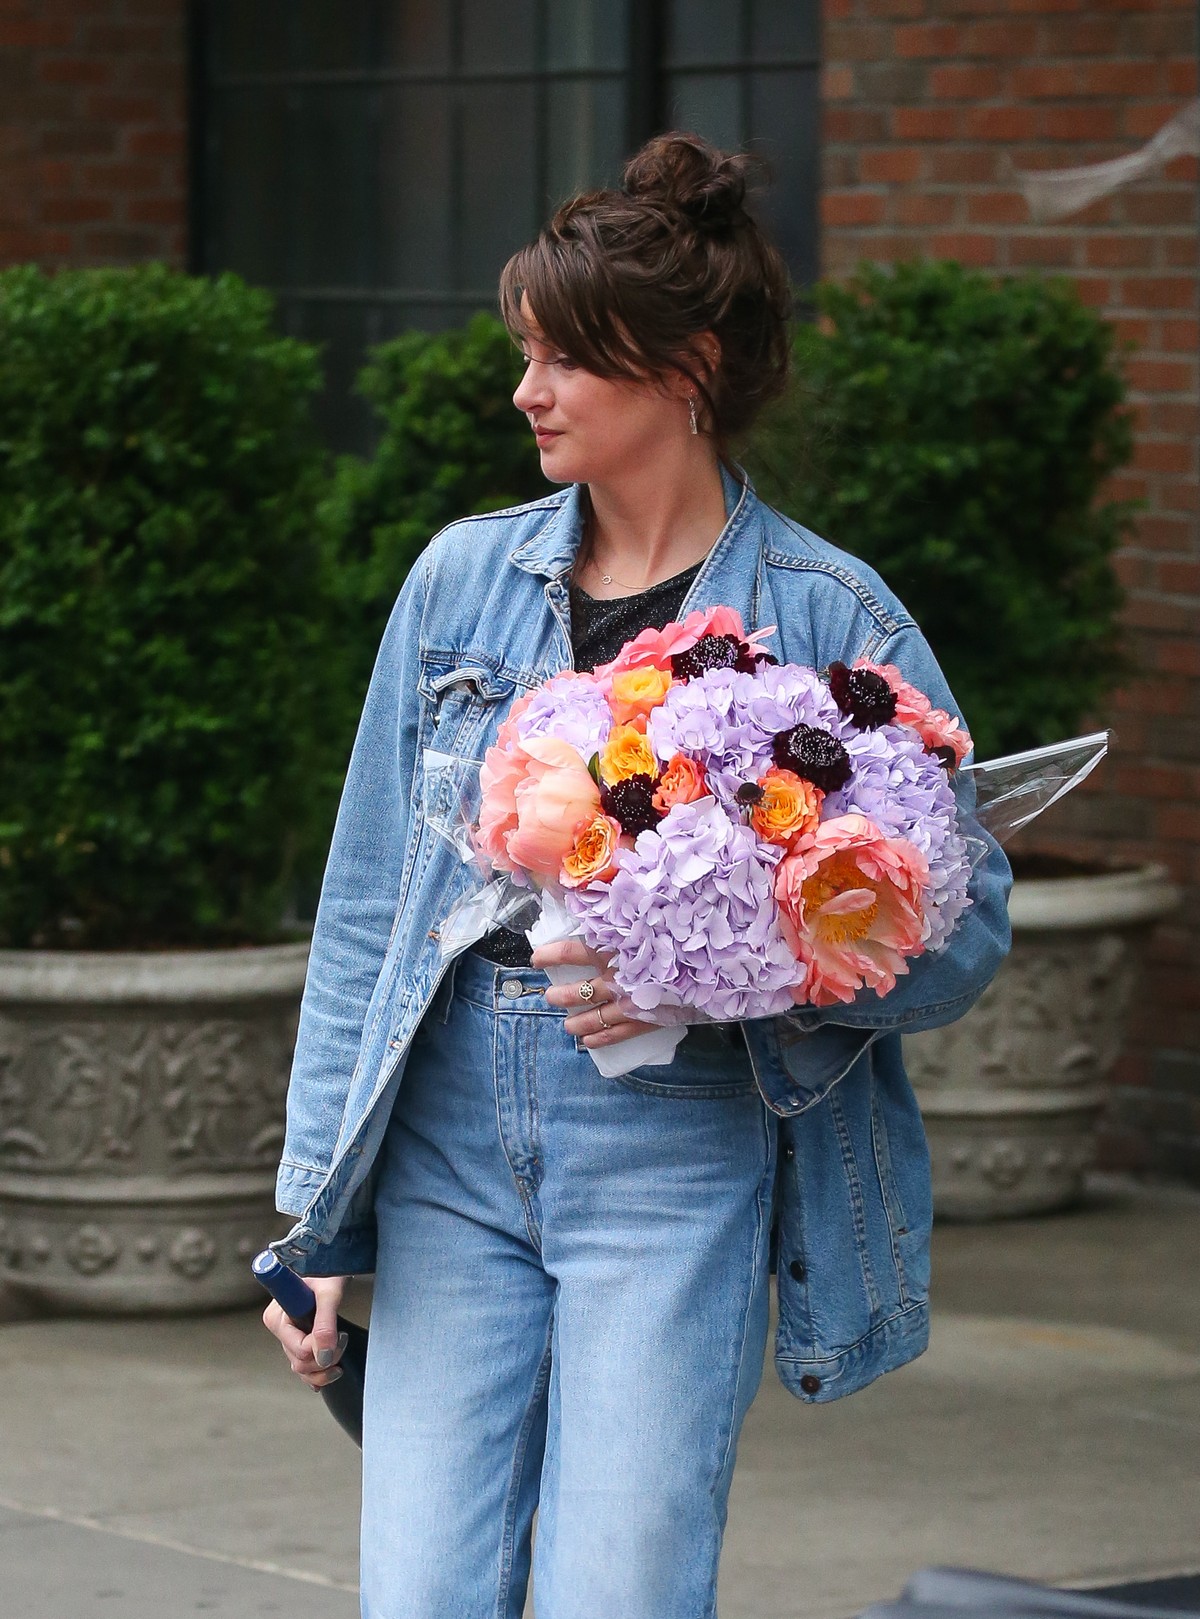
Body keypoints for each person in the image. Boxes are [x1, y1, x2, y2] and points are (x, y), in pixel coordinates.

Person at [262, 131, 1013, 1619]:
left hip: (678, 1148)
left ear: (688, 366)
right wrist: (311, 1220)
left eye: (565, 359)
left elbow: (965, 930)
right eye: (526, 352)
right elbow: (366, 905)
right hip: (449, 1138)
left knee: (618, 1593)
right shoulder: (460, 583)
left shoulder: (827, 617)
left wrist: (723, 955)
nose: (526, 390)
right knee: (422, 1595)